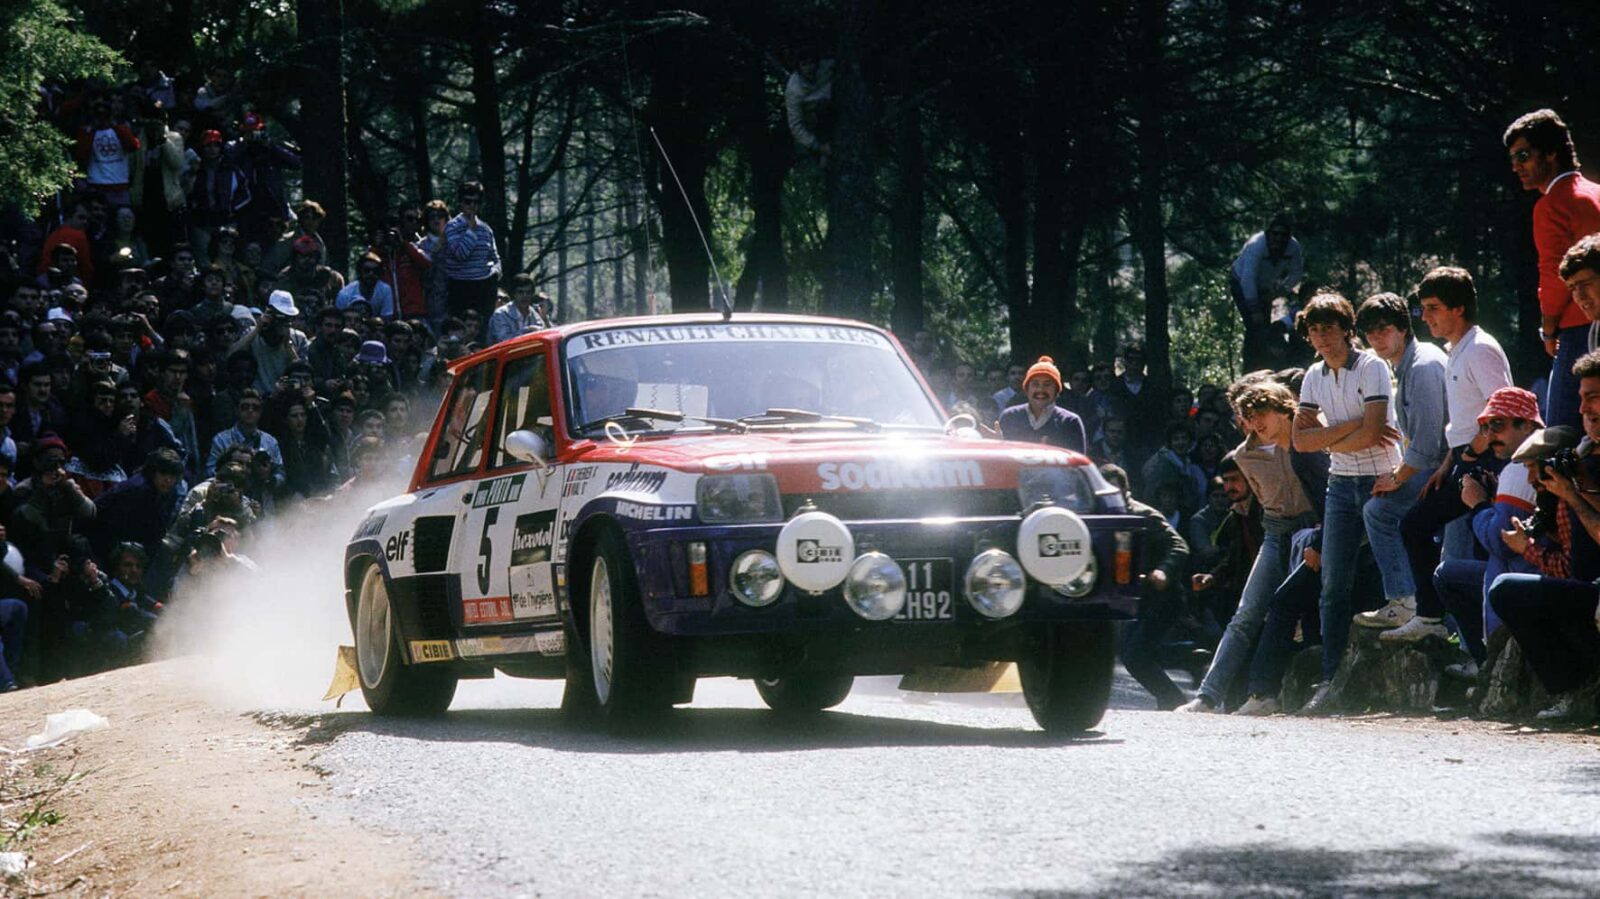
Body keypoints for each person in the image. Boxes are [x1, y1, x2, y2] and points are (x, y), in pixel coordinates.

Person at [1371, 270, 1514, 644]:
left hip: (1492, 465)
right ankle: (1435, 621)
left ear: (1459, 307)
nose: (1425, 317)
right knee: (1417, 526)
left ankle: (1444, 627)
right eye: (1423, 308)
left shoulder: (1480, 347)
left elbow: (1505, 408)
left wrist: (1475, 453)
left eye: (1433, 308)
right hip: (1464, 461)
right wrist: (1449, 466)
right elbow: (1465, 419)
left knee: (1427, 532)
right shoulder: (1457, 349)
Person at [1178, 376, 1324, 713]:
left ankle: (1279, 693)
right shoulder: (1243, 456)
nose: (1253, 422)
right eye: (1246, 414)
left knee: (1296, 608)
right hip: (1276, 532)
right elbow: (1260, 501)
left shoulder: (1309, 437)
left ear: (1280, 407)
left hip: (1315, 527)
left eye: (1259, 412)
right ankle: (1207, 696)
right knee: (1246, 614)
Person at [1289, 291, 1401, 711]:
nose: (1322, 337)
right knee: (1333, 585)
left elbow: (1376, 435)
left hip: (1381, 478)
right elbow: (1300, 442)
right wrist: (1356, 424)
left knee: (1393, 578)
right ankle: (1331, 678)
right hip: (1341, 482)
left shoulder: (1370, 366)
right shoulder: (1313, 376)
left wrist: (1334, 436)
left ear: (1346, 329)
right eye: (1315, 329)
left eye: (1330, 328)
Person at [1487, 349, 1600, 721]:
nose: (1584, 409)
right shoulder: (1584, 459)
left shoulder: (1578, 475)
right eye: (1581, 399)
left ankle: (1577, 683)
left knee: (1507, 588)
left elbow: (1573, 566)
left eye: (1594, 397)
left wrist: (1569, 495)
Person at [1355, 292, 1449, 629]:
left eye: (1384, 329)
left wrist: (1396, 478)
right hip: (1435, 465)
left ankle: (1405, 601)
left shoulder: (1422, 366)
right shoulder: (1407, 363)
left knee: (1378, 511)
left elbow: (1426, 446)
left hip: (1445, 470)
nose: (1377, 338)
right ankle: (1410, 599)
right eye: (1370, 332)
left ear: (1403, 328)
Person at [1504, 110, 1600, 429]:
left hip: (1576, 331)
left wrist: (1548, 330)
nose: (1516, 166)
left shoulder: (1551, 205)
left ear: (1551, 153)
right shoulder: (1596, 193)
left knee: (1561, 430)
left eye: (1523, 155)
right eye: (1514, 158)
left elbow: (1553, 277)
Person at [1101, 463, 1190, 710]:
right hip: (1136, 599)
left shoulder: (1145, 515)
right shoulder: (1103, 518)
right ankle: (1190, 656)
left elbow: (1179, 545)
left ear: (1126, 489)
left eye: (1114, 489)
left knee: (1135, 656)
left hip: (1163, 597)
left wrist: (1163, 571)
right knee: (1132, 651)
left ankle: (1174, 700)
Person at [1230, 215, 1304, 372]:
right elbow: (1247, 280)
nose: (1278, 238)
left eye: (1283, 235)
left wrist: (1280, 290)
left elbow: (1297, 273)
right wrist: (1254, 309)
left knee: (1264, 325)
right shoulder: (1256, 246)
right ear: (1268, 234)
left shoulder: (1293, 247)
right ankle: (1251, 368)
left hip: (1265, 287)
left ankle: (1265, 365)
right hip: (1241, 283)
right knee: (1254, 325)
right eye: (1274, 234)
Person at [996, 356, 1086, 452]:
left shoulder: (1069, 421)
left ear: (1056, 390)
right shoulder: (1010, 416)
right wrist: (995, 444)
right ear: (1027, 389)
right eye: (1035, 384)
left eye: (1047, 385)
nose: (1040, 390)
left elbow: (1077, 464)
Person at [441, 181, 501, 319]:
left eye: (476, 202)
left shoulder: (486, 229)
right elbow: (460, 254)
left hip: (483, 287)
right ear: (460, 203)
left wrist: (496, 272)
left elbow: (494, 256)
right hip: (460, 287)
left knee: (481, 329)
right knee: (460, 328)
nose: (472, 206)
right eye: (468, 201)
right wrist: (471, 230)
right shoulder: (452, 226)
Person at [487, 274, 547, 345]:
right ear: (514, 294)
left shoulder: (535, 315)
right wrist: (527, 331)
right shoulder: (501, 314)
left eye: (528, 292)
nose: (525, 296)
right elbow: (503, 341)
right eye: (520, 292)